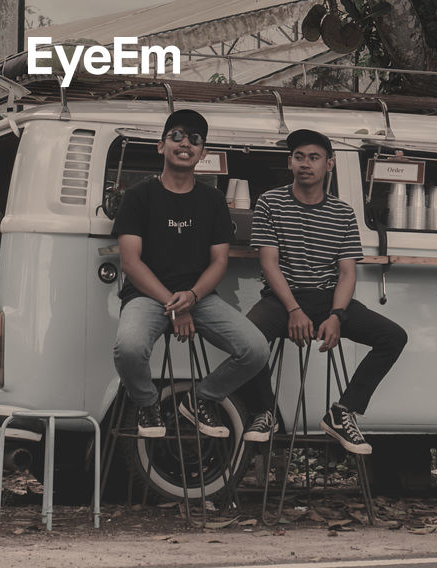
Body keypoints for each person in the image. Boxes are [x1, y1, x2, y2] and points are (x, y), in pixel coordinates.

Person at [239, 128, 407, 455]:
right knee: (245, 339)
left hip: (329, 299)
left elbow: (347, 272)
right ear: (289, 162)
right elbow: (269, 264)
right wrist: (293, 310)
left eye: (314, 157)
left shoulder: (342, 213)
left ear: (329, 164)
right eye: (299, 157)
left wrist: (337, 315)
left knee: (393, 336)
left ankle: (342, 412)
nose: (306, 164)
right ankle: (264, 411)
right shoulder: (270, 203)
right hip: (282, 299)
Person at [112, 109, 269, 439]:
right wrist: (175, 304)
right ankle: (147, 403)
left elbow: (219, 262)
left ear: (204, 152)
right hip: (147, 296)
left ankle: (202, 399)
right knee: (128, 347)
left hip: (199, 298)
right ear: (161, 146)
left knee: (255, 349)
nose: (186, 144)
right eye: (178, 136)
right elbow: (131, 262)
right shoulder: (138, 196)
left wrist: (192, 298)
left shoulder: (212, 200)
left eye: (195, 139)